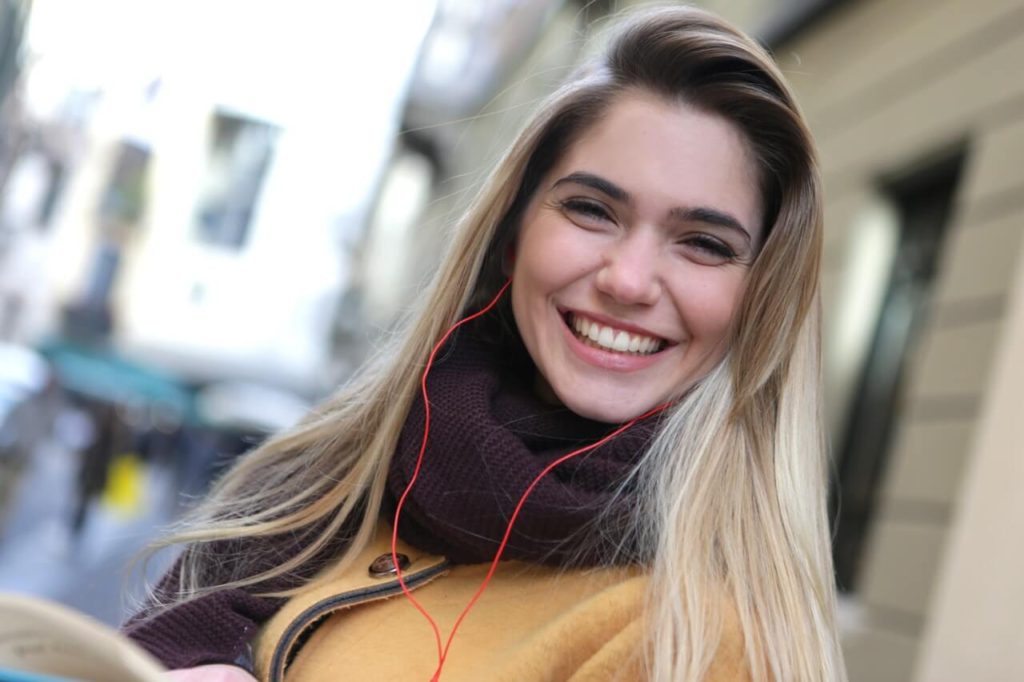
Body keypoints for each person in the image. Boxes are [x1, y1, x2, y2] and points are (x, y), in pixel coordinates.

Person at [126, 6, 845, 681]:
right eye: (592, 210)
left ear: (760, 304)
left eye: (703, 244)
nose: (627, 281)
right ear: (512, 235)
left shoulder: (697, 638)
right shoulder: (328, 482)